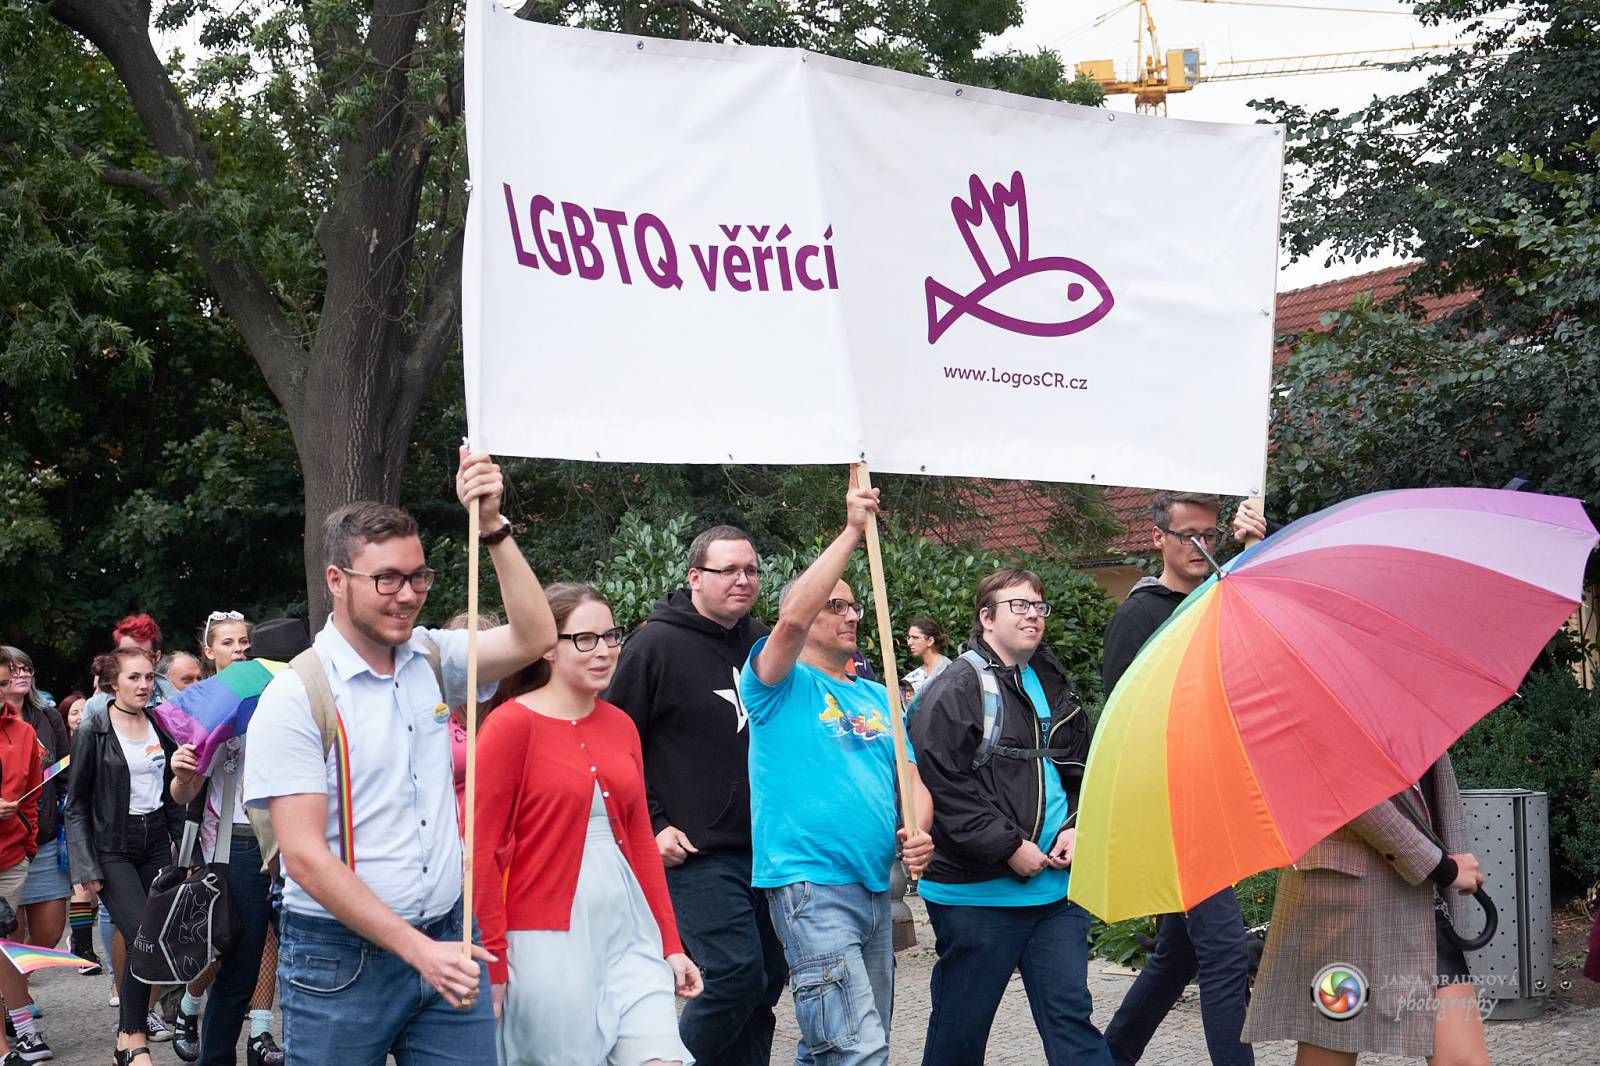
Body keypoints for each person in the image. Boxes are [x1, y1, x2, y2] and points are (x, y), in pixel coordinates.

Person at [242, 448, 557, 1064]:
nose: (408, 595)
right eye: (387, 579)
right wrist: (419, 952)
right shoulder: (297, 694)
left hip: (448, 935)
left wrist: (492, 527)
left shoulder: (431, 658)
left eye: (418, 577)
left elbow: (536, 637)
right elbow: (303, 857)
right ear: (337, 580)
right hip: (340, 959)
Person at [739, 482, 935, 1066]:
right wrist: (852, 532)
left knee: (836, 1045)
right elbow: (792, 617)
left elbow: (910, 780)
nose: (850, 614)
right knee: (856, 1048)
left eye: (854, 606)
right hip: (811, 886)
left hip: (875, 886)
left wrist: (920, 830)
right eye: (836, 605)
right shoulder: (776, 683)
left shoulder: (878, 693)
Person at [475, 583, 703, 1065]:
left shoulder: (622, 724)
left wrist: (670, 943)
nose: (603, 650)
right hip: (543, 942)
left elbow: (640, 841)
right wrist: (493, 960)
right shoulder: (509, 726)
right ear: (547, 647)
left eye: (611, 636)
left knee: (662, 1056)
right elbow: (479, 851)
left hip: (629, 930)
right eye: (584, 639)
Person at [908, 572, 1109, 1066]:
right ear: (987, 617)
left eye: (1039, 606)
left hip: (1056, 896)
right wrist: (1009, 847)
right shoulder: (954, 688)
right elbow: (940, 785)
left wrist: (1077, 826)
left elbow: (1082, 767)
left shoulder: (1052, 680)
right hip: (976, 897)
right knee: (960, 1032)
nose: (1032, 615)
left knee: (1072, 1023)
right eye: (1018, 605)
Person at [602, 524, 785, 1066]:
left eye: (751, 570)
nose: (742, 580)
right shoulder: (653, 647)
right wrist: (652, 824)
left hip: (766, 847)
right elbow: (614, 744)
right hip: (694, 850)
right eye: (727, 570)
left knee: (766, 982)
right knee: (733, 975)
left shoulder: (763, 642)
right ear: (694, 577)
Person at [1101, 491, 1254, 1066]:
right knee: (1225, 951)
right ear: (1158, 538)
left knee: (1178, 956)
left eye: (1209, 535)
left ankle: (1110, 1057)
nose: (1200, 545)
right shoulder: (1140, 614)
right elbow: (1123, 718)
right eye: (1188, 535)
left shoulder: (1223, 595)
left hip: (1215, 795)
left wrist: (1252, 549)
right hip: (1172, 804)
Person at [1242, 756, 1489, 1064]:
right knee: (1330, 1054)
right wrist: (1440, 866)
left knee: (1463, 1060)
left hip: (1422, 900)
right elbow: (1352, 786)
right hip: (1345, 903)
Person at [170, 611, 285, 1066]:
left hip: (289, 836)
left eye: (244, 642)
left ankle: (259, 1034)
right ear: (209, 651)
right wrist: (182, 774)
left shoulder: (277, 691)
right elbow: (184, 793)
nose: (239, 649)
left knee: (280, 951)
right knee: (236, 960)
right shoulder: (208, 705)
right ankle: (204, 1032)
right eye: (228, 643)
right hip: (235, 842)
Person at [65, 645, 186, 1065]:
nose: (144, 685)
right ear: (112, 683)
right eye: (134, 677)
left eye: (149, 677)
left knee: (152, 940)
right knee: (141, 937)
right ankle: (134, 1039)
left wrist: (188, 851)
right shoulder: (93, 729)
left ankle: (126, 1040)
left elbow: (172, 795)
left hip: (156, 843)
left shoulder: (161, 723)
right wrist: (85, 865)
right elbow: (76, 805)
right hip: (112, 847)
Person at [1, 646, 70, 1061]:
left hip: (31, 843)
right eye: (11, 671)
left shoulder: (40, 720)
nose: (20, 676)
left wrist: (33, 838)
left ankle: (13, 1001)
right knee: (7, 941)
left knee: (46, 934)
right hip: (13, 848)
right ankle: (20, 1023)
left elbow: (60, 773)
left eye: (26, 668)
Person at [82, 615, 177, 725]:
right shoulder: (95, 706)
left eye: (142, 653)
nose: (132, 661)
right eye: (125, 653)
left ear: (157, 657)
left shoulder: (174, 703)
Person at [902, 618, 951, 696]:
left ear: (930, 641)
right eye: (909, 638)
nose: (909, 643)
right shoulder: (918, 672)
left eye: (915, 638)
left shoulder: (946, 668)